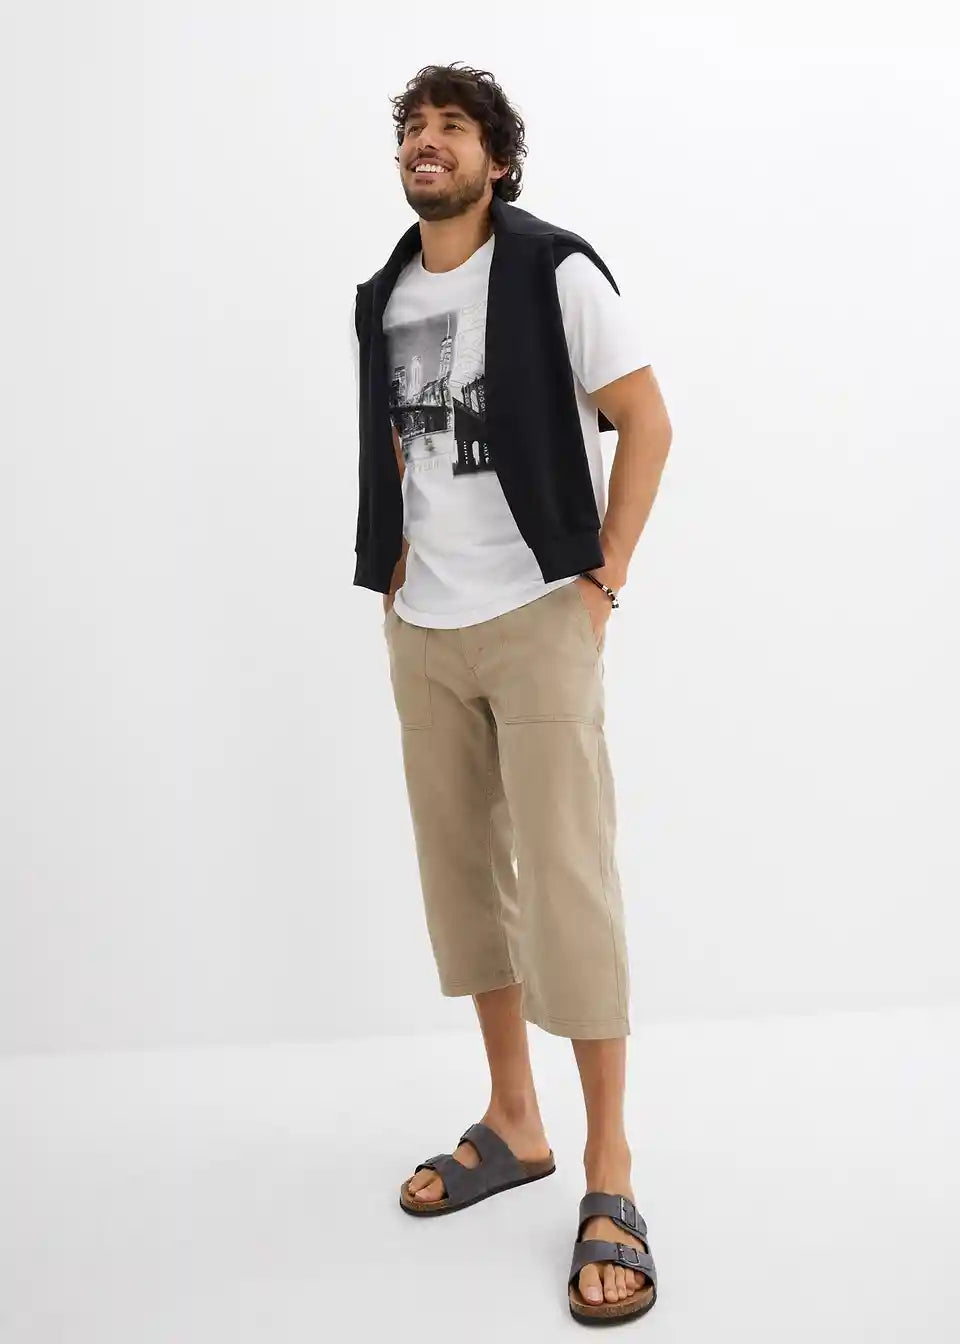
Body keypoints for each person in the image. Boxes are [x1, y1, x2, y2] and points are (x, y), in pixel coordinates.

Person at [350, 62, 672, 1326]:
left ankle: (610, 1170)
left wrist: (606, 577)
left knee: (568, 881)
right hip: (426, 630)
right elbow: (400, 437)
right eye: (412, 129)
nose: (425, 143)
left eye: (451, 127)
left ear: (496, 158)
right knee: (465, 884)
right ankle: (514, 1120)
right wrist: (393, 565)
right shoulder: (385, 295)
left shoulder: (552, 272)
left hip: (541, 616)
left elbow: (645, 420)